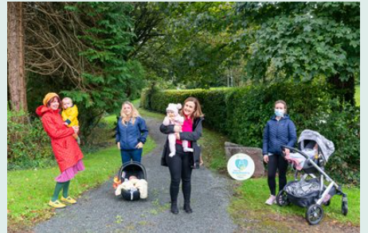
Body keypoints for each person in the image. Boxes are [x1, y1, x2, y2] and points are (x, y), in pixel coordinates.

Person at [36, 93, 85, 209]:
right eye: (53, 101)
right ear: (47, 103)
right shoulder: (47, 116)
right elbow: (54, 134)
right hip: (60, 146)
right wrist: (70, 130)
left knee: (71, 169)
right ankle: (53, 199)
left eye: (57, 101)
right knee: (66, 171)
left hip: (69, 144)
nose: (56, 103)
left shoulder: (58, 114)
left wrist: (74, 130)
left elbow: (65, 127)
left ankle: (65, 195)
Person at [160, 97, 204, 214]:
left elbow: (196, 135)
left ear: (195, 109)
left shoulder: (197, 120)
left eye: (191, 106)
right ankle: (174, 204)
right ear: (183, 106)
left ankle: (187, 204)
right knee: (175, 179)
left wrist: (181, 135)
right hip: (174, 151)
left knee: (187, 179)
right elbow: (162, 128)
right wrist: (173, 128)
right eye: (186, 105)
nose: (188, 108)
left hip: (188, 152)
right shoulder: (174, 114)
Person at [262, 100, 297, 205]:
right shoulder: (269, 123)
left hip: (283, 154)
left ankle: (281, 196)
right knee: (271, 175)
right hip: (272, 152)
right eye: (277, 108)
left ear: (285, 110)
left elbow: (293, 138)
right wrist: (265, 153)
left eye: (281, 108)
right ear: (274, 109)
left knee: (282, 175)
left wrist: (288, 147)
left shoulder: (289, 123)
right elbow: (265, 139)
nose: (278, 109)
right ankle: (272, 195)